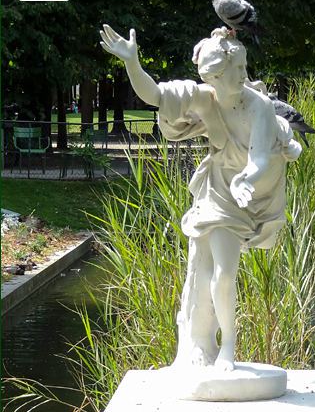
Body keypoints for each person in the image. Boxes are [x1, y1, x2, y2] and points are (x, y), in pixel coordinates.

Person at [99, 24, 302, 371]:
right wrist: (133, 63)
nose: (244, 75)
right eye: (236, 70)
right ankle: (198, 345)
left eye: (243, 67)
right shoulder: (203, 97)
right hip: (215, 187)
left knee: (223, 274)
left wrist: (244, 180)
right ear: (215, 77)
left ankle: (227, 347)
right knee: (205, 268)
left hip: (246, 189)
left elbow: (260, 159)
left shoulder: (259, 106)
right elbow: (156, 96)